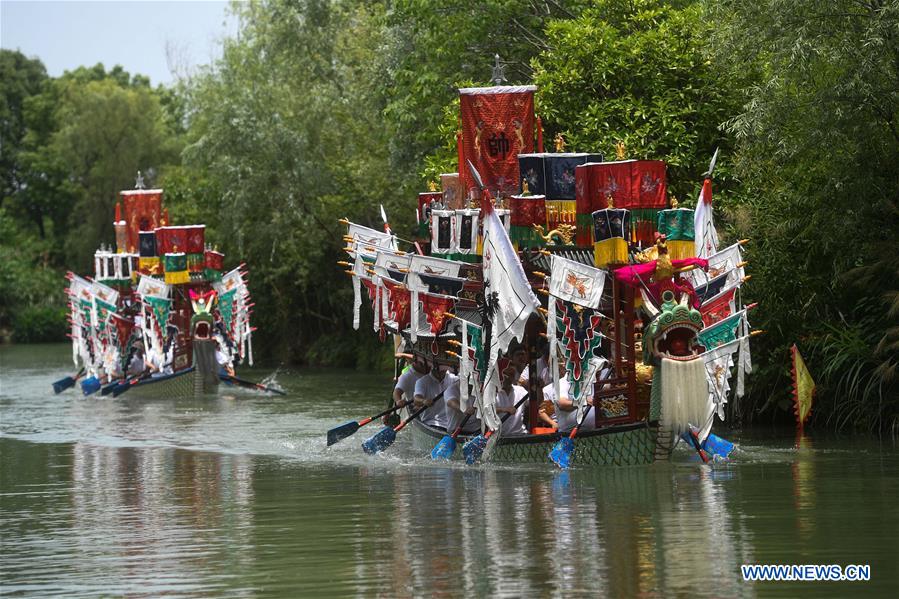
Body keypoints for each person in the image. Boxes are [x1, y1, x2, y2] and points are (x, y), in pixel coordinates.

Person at [385, 355, 429, 423]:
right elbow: (396, 392)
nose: (429, 367)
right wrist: (398, 401)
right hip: (416, 408)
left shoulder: (433, 372)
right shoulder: (407, 375)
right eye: (424, 364)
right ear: (417, 362)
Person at [413, 362, 456, 431]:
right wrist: (424, 401)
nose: (441, 372)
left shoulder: (454, 379)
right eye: (439, 370)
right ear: (433, 368)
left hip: (453, 423)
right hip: (432, 422)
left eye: (443, 370)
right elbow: (416, 400)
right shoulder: (422, 381)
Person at [495, 365, 527, 435]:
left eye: (511, 375)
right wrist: (504, 409)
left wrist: (538, 388)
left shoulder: (520, 391)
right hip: (499, 436)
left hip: (519, 434)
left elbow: (536, 404)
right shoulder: (492, 392)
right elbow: (486, 410)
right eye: (505, 374)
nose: (508, 377)